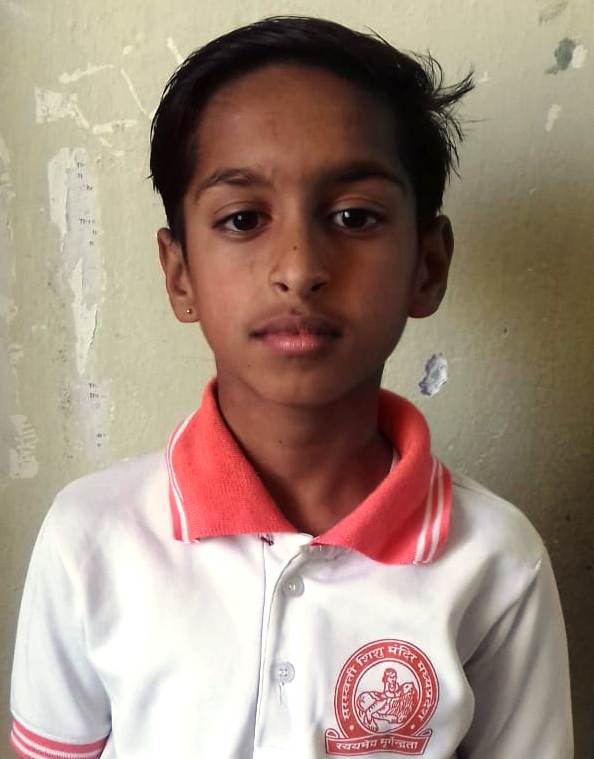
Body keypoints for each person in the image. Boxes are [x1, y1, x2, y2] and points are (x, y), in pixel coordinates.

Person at [9, 15, 573, 759]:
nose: (299, 268)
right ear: (180, 275)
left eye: (354, 217)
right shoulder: (91, 537)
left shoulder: (496, 561)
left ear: (427, 264)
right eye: (243, 219)